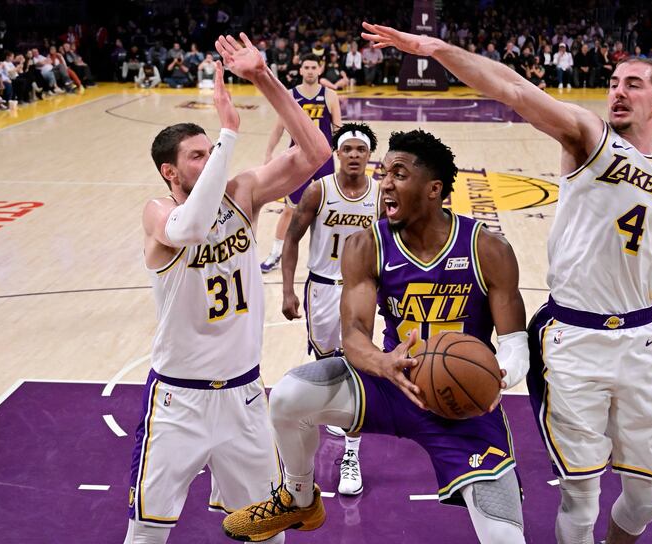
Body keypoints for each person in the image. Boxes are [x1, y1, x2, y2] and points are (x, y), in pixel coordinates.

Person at [360, 21, 652, 544]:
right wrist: (435, 48)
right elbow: (514, 88)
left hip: (641, 338)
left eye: (633, 84)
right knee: (582, 501)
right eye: (613, 82)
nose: (617, 91)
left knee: (648, 498)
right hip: (574, 338)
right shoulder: (589, 137)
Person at [222, 129, 531, 544]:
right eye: (384, 173)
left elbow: (514, 342)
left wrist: (500, 375)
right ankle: (298, 498)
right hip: (391, 383)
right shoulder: (367, 245)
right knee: (290, 396)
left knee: (506, 540)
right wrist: (382, 363)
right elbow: (354, 335)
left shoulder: (486, 247)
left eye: (399, 174)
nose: (384, 183)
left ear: (433, 189)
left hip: (463, 404)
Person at [124, 32, 331, 544]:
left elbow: (315, 151)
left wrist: (263, 78)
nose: (209, 157)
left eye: (209, 150)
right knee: (147, 532)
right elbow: (190, 229)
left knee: (265, 530)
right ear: (170, 171)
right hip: (179, 401)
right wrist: (229, 134)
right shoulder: (159, 213)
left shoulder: (243, 193)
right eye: (198, 155)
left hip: (243, 398)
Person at [280, 122, 381, 496]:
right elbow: (292, 239)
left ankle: (351, 454)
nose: (354, 154)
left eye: (361, 149)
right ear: (338, 154)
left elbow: (393, 244)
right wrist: (288, 290)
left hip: (364, 289)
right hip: (322, 288)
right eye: (348, 149)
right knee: (327, 364)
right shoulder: (319, 191)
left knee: (358, 366)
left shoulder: (381, 194)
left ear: (370, 155)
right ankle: (323, 428)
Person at [260, 53, 341, 273]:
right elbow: (279, 127)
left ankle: (331, 257)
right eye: (306, 67)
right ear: (301, 69)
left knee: (329, 210)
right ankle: (275, 254)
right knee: (290, 210)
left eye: (313, 67)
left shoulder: (330, 95)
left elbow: (338, 128)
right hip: (297, 159)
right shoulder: (290, 94)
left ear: (320, 69)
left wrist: (341, 151)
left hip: (324, 160)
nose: (310, 71)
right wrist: (269, 154)